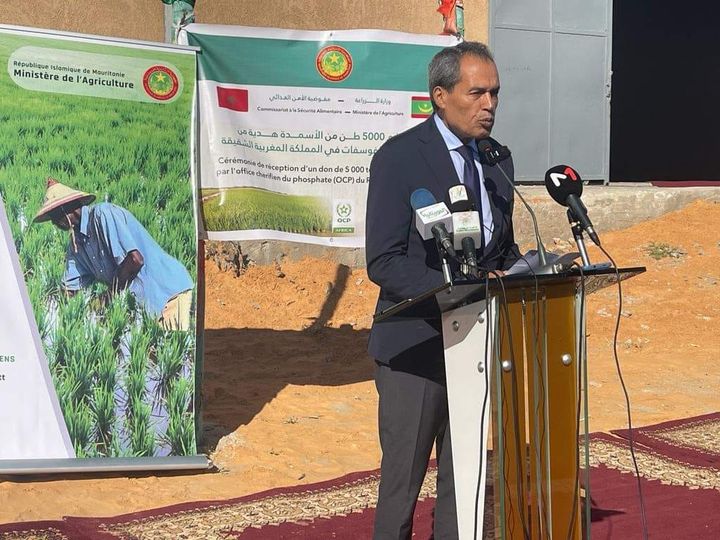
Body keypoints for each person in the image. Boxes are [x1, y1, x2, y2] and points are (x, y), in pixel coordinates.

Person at [365, 41, 521, 539]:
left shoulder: (497, 160)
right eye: (477, 93)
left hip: (475, 345)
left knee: (465, 481)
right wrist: (457, 288)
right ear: (440, 95)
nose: (489, 105)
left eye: (495, 93)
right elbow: (384, 260)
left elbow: (502, 249)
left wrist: (529, 269)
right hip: (415, 346)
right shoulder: (400, 158)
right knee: (402, 487)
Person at [34, 177, 194, 331]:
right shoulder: (77, 244)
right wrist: (58, 314)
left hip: (167, 293)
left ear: (65, 208)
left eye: (54, 216)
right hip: (144, 305)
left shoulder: (103, 214)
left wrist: (106, 297)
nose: (54, 223)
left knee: (170, 345)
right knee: (149, 346)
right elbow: (69, 288)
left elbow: (135, 261)